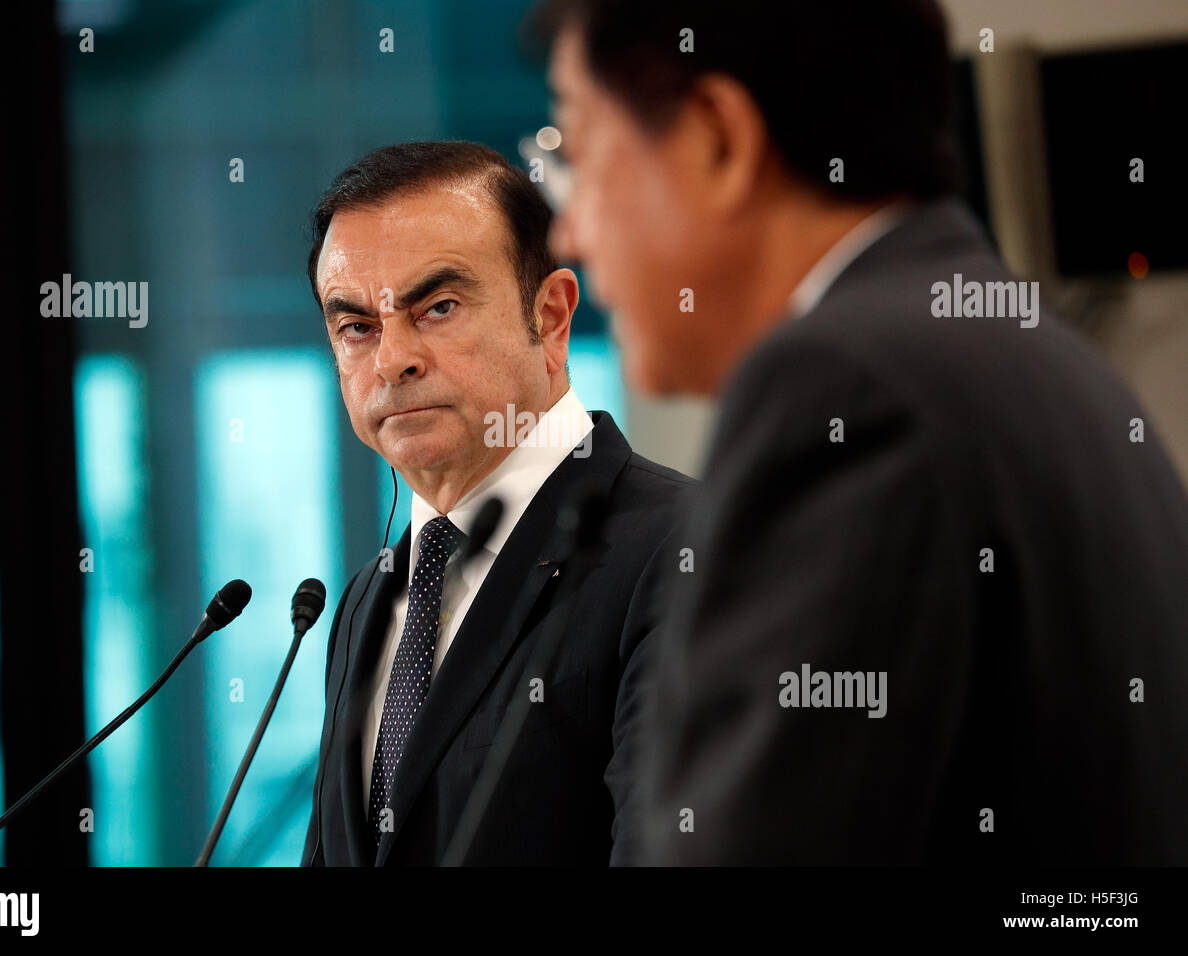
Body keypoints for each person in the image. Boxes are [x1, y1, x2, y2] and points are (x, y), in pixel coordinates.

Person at [535, 0, 1188, 863]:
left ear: (717, 137)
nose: (568, 231)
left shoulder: (843, 390)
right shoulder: (1022, 346)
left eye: (576, 153)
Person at [300, 141, 690, 865]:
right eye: (356, 326)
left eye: (438, 307)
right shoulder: (363, 602)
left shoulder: (685, 550)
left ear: (551, 316)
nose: (392, 360)